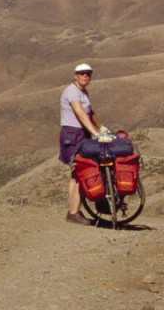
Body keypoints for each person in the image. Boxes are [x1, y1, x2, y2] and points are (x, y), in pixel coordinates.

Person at [59, 63, 109, 224]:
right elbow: (80, 114)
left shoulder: (82, 92)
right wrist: (96, 133)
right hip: (73, 134)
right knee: (81, 171)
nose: (85, 76)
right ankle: (74, 213)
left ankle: (74, 211)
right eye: (82, 74)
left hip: (82, 133)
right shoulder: (72, 91)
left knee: (76, 175)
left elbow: (89, 112)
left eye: (88, 74)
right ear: (75, 75)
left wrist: (101, 128)